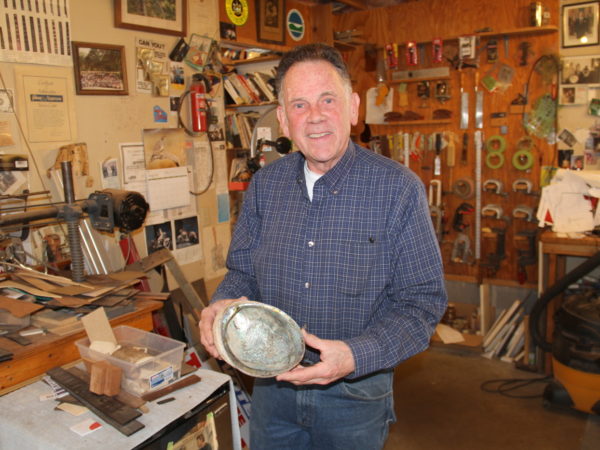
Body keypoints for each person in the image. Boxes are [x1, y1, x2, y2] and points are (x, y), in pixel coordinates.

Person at [199, 43, 447, 449]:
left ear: (352, 107)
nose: (314, 116)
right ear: (283, 119)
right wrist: (221, 306)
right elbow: (242, 272)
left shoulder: (397, 190)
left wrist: (353, 355)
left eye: (326, 99)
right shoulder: (265, 186)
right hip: (272, 390)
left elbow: (422, 304)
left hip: (355, 395)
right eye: (299, 105)